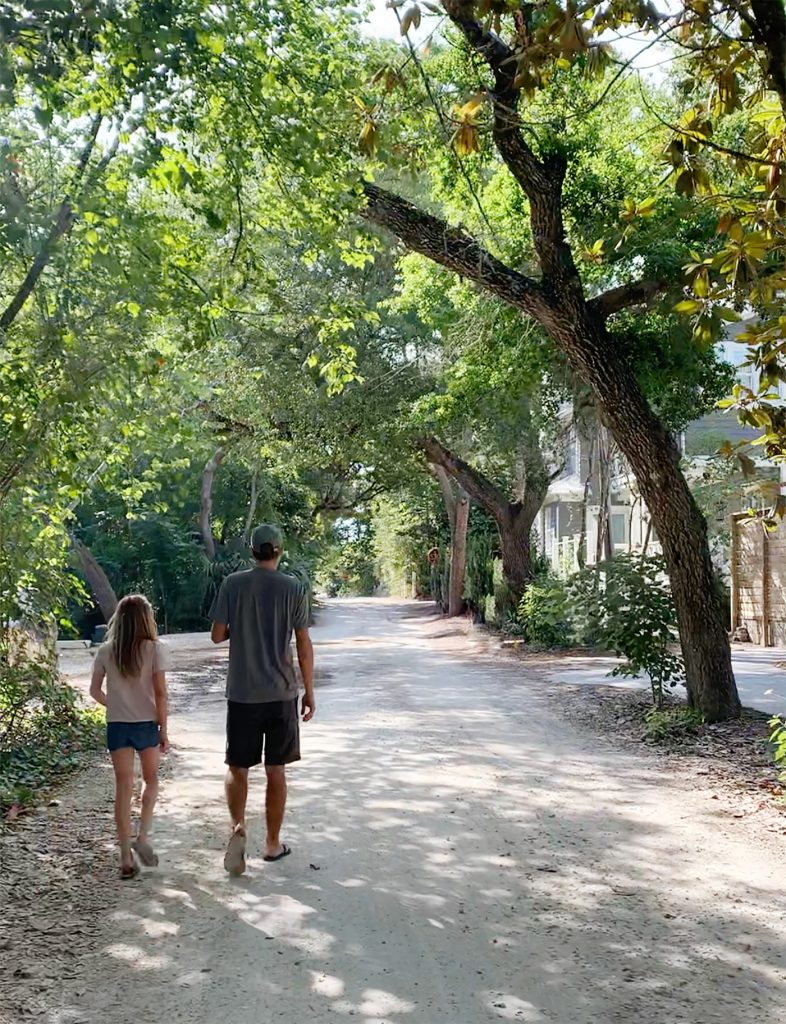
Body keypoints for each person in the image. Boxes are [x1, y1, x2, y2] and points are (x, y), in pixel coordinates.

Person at [210, 523, 315, 876]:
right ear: (279, 551)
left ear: (251, 551)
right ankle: (272, 843)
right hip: (281, 692)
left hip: (242, 693)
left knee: (237, 768)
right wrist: (309, 692)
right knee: (276, 771)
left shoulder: (232, 584)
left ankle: (238, 827)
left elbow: (216, 635)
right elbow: (302, 643)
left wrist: (243, 624)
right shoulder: (293, 588)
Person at [90, 594, 169, 880]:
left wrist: (116, 704)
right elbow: (160, 693)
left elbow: (94, 691)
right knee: (151, 781)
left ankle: (124, 856)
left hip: (118, 726)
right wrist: (164, 729)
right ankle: (143, 837)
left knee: (123, 787)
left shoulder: (106, 650)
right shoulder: (154, 650)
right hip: (146, 724)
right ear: (146, 619)